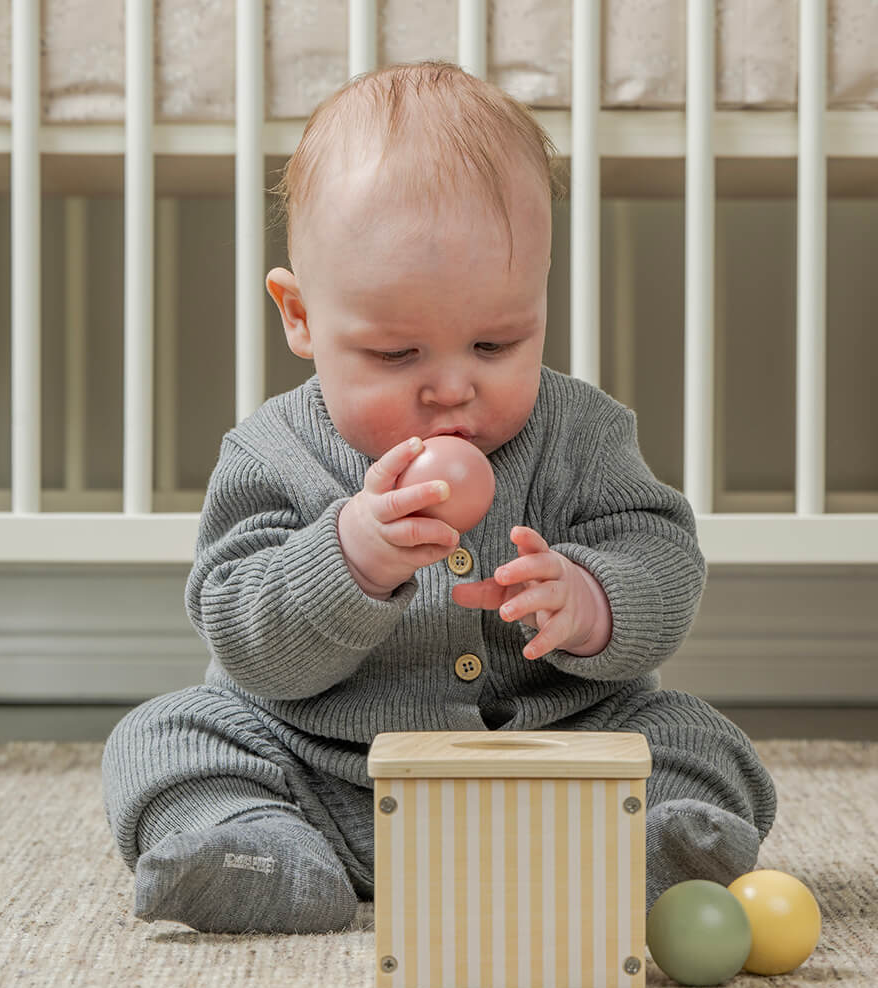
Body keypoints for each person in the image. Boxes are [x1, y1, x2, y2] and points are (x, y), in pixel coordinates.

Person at [102, 61, 776, 935]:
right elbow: (243, 638)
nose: (452, 388)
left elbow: (664, 561)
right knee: (163, 736)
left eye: (496, 343)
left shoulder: (583, 434)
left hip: (555, 772)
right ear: (300, 316)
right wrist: (347, 559)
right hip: (329, 781)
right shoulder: (272, 451)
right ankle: (261, 853)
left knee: (694, 737)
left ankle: (636, 853)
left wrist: (591, 601)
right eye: (396, 355)